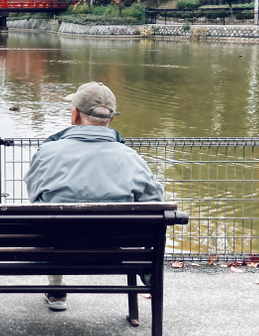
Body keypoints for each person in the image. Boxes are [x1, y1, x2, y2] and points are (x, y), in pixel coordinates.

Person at [24, 81, 164, 311]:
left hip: (56, 246)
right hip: (112, 251)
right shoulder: (131, 158)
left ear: (75, 114)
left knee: (50, 219)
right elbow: (154, 203)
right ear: (111, 119)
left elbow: (34, 196)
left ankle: (57, 291)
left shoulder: (48, 152)